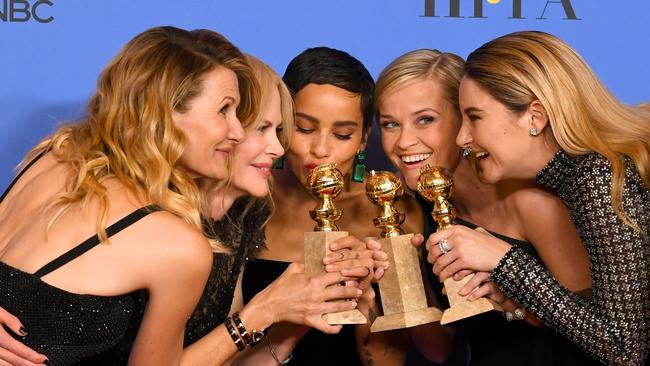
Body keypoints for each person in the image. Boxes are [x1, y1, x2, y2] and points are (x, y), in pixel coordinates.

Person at [0, 29, 364, 366]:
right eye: (225, 110)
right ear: (167, 113)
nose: (236, 131)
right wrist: (263, 310)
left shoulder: (54, 156)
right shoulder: (176, 244)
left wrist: (292, 314)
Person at [427, 31, 649, 366]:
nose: (462, 138)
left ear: (535, 117)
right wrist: (516, 295)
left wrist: (506, 260)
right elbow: (599, 319)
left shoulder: (598, 175)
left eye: (475, 117)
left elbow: (625, 350)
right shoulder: (579, 174)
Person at [375, 48, 596, 365]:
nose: (404, 142)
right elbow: (438, 350)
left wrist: (514, 298)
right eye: (390, 124)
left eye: (425, 120)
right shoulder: (404, 202)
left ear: (464, 119)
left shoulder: (530, 201)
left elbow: (599, 337)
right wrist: (403, 273)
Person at [242, 47, 419, 365]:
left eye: (342, 134)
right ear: (281, 122)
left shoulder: (390, 210)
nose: (320, 149)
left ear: (364, 139)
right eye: (305, 128)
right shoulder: (242, 203)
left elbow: (392, 358)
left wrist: (363, 298)